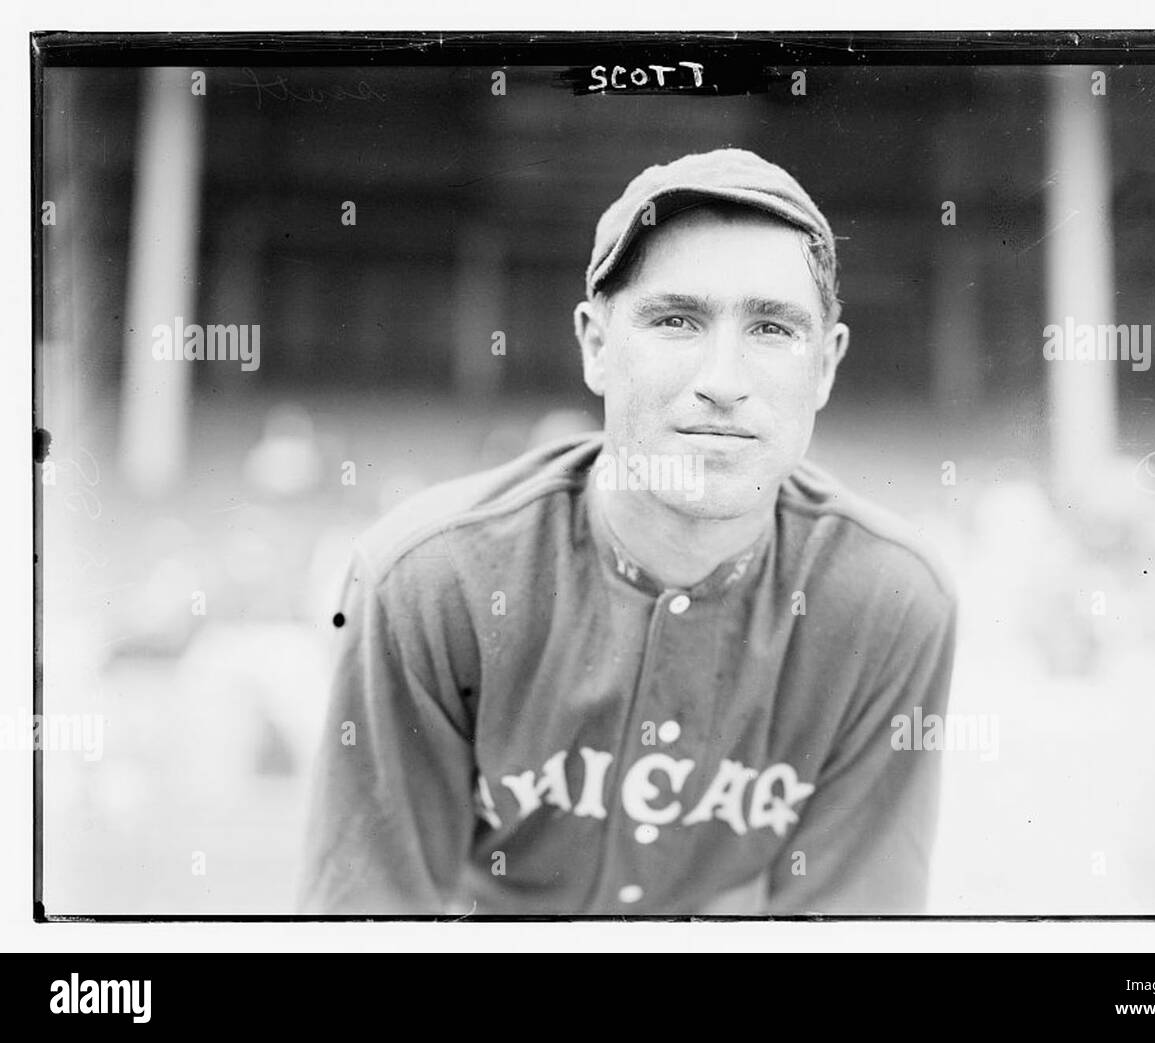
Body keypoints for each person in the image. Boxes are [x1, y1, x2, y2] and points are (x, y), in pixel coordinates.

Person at [298, 148, 957, 915]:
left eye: (773, 329)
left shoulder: (891, 601)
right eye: (677, 320)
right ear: (596, 344)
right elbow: (368, 913)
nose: (723, 379)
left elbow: (851, 921)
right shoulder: (430, 580)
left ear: (826, 366)